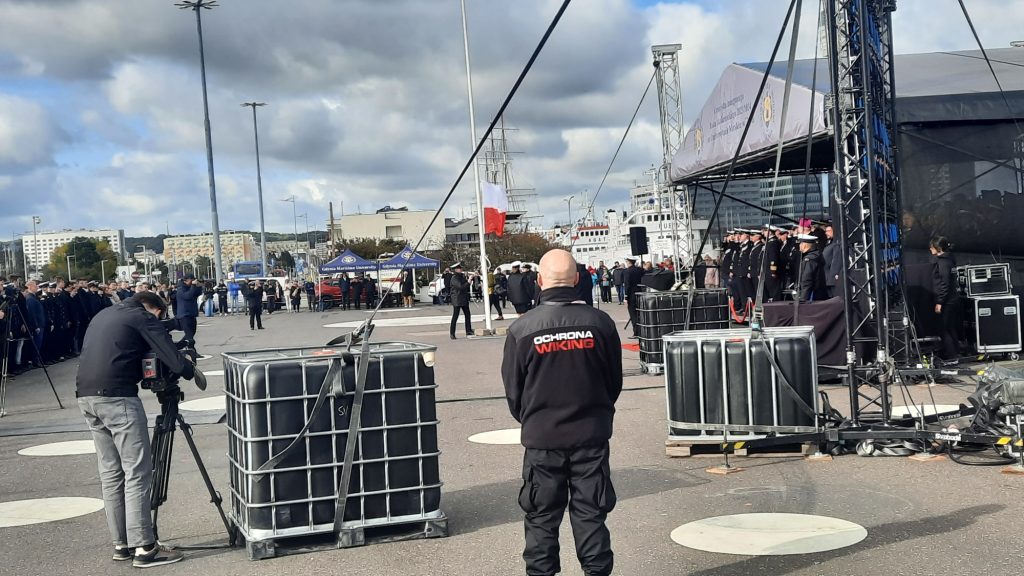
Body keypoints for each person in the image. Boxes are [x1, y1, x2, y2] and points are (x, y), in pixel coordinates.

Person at [501, 249, 622, 576]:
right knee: (591, 513)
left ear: (540, 281)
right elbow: (614, 382)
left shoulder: (522, 329)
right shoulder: (601, 323)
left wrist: (536, 418)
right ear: (577, 279)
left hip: (543, 438)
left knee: (541, 516)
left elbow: (514, 392)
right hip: (590, 434)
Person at [76, 291, 199, 568]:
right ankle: (144, 547)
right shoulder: (142, 316)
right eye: (160, 316)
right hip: (118, 399)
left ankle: (122, 544)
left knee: (111, 474)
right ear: (153, 308)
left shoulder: (105, 314)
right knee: (137, 472)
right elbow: (176, 363)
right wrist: (189, 366)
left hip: (86, 397)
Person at [930, 237, 960, 365]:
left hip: (947, 301)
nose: (930, 249)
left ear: (938, 248)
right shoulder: (951, 260)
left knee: (944, 329)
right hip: (953, 299)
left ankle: (952, 357)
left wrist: (939, 302)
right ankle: (955, 353)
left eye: (932, 247)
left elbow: (944, 284)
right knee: (950, 327)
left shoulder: (943, 263)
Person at [796, 234, 827, 303]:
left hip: (811, 295)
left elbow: (807, 278)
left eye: (800, 243)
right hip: (818, 293)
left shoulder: (810, 259)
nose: (799, 245)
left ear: (804, 245)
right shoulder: (816, 255)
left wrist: (803, 298)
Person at [174, 274, 202, 346]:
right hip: (184, 315)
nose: (192, 281)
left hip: (192, 314)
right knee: (189, 335)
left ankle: (178, 346)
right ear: (186, 280)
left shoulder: (191, 288)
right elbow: (188, 296)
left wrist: (199, 286)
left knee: (192, 333)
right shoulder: (181, 288)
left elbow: (198, 293)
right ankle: (190, 349)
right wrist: (193, 286)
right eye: (191, 280)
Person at [448, 263, 474, 339]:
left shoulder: (461, 276)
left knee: (467, 314)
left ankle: (468, 330)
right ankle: (452, 333)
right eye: (460, 268)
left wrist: (469, 280)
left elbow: (466, 286)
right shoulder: (454, 278)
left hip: (463, 298)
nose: (461, 269)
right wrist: (468, 281)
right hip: (457, 299)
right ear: (456, 270)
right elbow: (461, 287)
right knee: (455, 316)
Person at [623, 257, 644, 339]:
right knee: (641, 313)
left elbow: (627, 284)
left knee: (633, 315)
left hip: (632, 295)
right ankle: (643, 331)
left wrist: (626, 296)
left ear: (629, 262)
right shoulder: (640, 270)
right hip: (640, 293)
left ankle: (636, 333)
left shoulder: (627, 271)